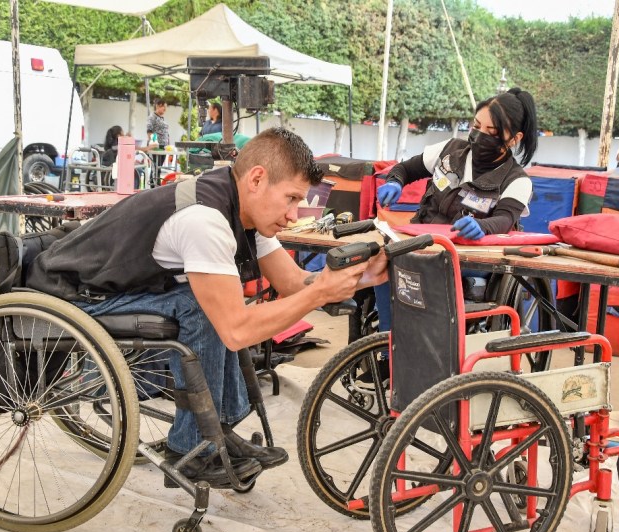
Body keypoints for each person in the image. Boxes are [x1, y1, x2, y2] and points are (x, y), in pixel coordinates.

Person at [27, 127, 388, 487]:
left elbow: (293, 282)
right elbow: (238, 331)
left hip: (109, 284)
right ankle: (194, 448)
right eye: (292, 198)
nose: (295, 215)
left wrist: (362, 277)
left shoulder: (244, 208)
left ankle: (217, 429)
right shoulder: (206, 220)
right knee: (204, 308)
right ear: (257, 179)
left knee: (212, 303)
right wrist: (321, 293)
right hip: (72, 295)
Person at [373, 86, 539, 332]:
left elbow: (505, 218)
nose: (479, 135)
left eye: (491, 131)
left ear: (514, 138)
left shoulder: (517, 180)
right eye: (476, 125)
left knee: (426, 268)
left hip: (466, 254)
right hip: (421, 241)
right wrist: (394, 182)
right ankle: (388, 343)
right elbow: (405, 169)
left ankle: (427, 342)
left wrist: (481, 226)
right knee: (382, 261)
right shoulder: (449, 151)